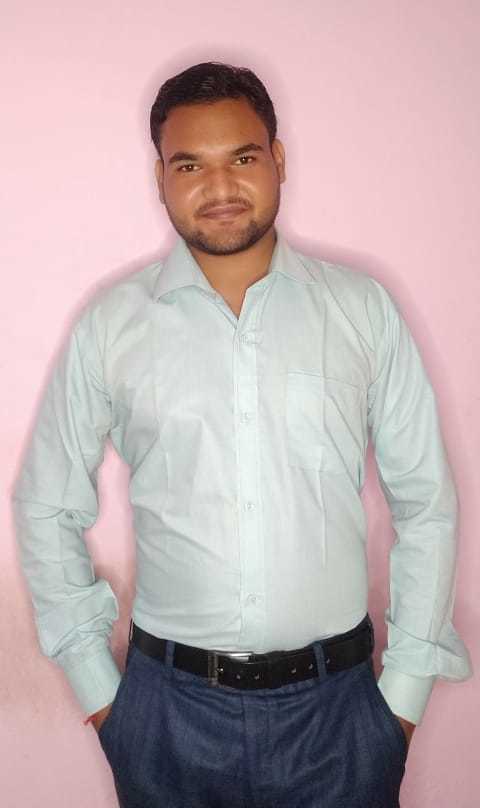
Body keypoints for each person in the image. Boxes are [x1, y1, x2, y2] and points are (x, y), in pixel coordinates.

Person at [12, 61, 473, 808]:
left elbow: (426, 503)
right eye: (190, 165)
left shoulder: (361, 310)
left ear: (278, 160)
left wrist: (403, 700)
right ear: (161, 177)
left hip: (341, 718)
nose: (219, 187)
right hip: (165, 719)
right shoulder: (111, 326)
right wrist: (103, 697)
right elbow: (45, 504)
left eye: (243, 157)